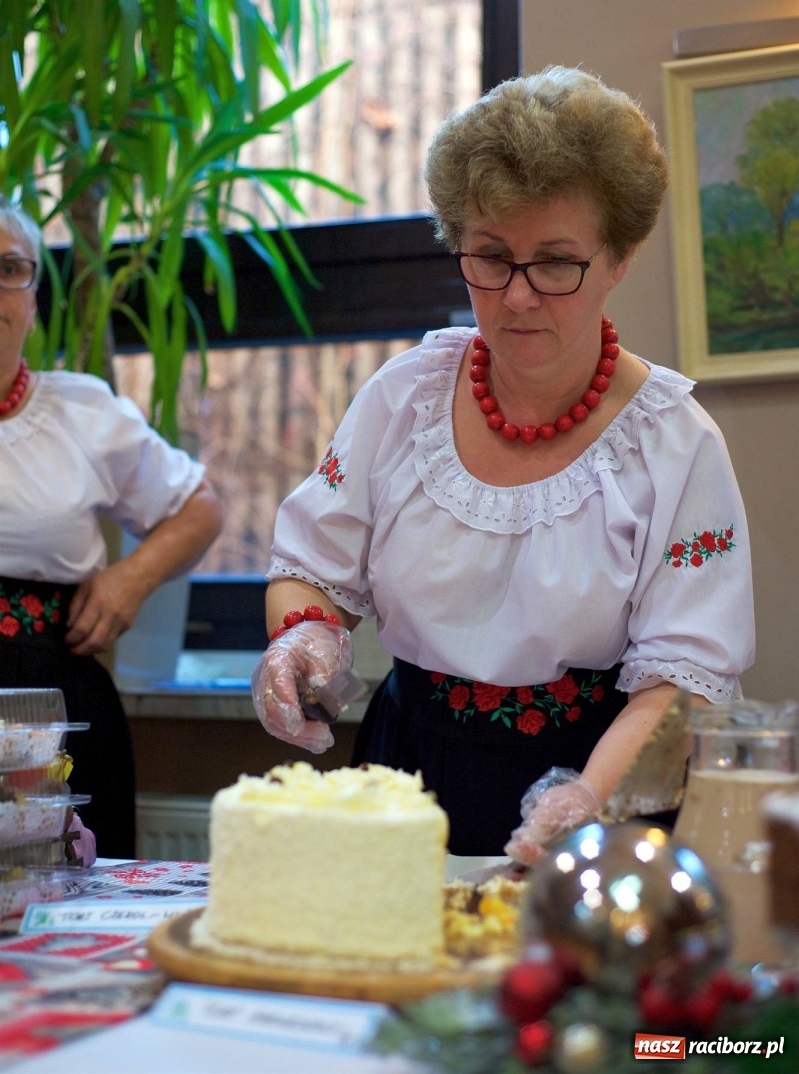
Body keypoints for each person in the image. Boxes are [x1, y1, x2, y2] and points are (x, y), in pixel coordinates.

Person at [252, 66, 755, 858]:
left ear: (618, 257)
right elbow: (311, 566)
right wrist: (303, 639)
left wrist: (587, 800)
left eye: (555, 262)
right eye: (490, 256)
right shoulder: (404, 397)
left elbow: (680, 683)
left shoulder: (675, 443)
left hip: (595, 782)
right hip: (404, 773)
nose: (517, 296)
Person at [0, 198, 223, 858]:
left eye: (9, 269)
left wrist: (132, 579)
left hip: (52, 711)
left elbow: (201, 504)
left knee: (57, 916)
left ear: (34, 298)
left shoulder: (82, 411)